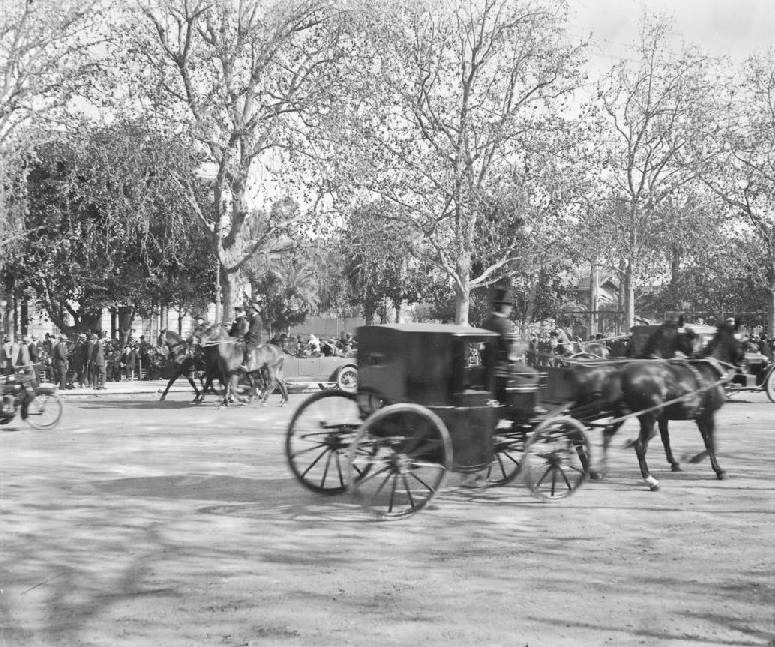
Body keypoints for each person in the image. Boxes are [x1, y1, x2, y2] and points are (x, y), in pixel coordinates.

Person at [480, 286, 539, 404]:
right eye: (510, 306)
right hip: (504, 369)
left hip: (488, 369)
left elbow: (482, 348)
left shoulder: (486, 323)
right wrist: (524, 346)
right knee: (534, 375)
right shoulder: (504, 324)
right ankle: (523, 405)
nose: (511, 309)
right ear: (504, 307)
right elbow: (512, 353)